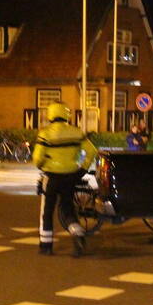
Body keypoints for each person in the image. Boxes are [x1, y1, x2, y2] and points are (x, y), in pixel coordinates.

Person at [32, 101, 98, 256]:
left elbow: (37, 158)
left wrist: (44, 165)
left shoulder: (45, 133)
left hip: (52, 177)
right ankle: (78, 233)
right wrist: (80, 166)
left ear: (50, 114)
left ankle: (46, 246)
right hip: (70, 176)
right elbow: (90, 151)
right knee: (67, 208)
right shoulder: (76, 132)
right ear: (66, 114)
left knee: (47, 211)